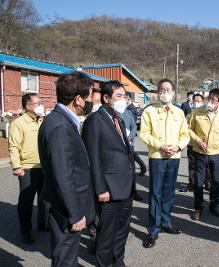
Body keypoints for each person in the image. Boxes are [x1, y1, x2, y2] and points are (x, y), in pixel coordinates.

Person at [38, 71, 95, 266]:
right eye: (90, 95)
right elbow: (63, 175)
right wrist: (76, 214)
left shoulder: (62, 120)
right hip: (67, 208)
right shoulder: (59, 127)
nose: (91, 100)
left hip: (67, 205)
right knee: (65, 259)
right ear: (78, 99)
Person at [81, 80, 134, 267]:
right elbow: (92, 159)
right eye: (119, 96)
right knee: (107, 232)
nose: (123, 100)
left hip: (125, 186)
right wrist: (100, 189)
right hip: (109, 189)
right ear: (106, 98)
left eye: (124, 96)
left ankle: (118, 261)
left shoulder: (118, 117)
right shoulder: (94, 121)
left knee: (122, 230)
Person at [140, 78, 190, 248]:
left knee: (169, 193)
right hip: (157, 157)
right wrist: (160, 145)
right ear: (157, 92)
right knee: (155, 193)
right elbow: (144, 134)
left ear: (174, 93)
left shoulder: (179, 112)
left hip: (174, 157)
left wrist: (178, 146)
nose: (165, 92)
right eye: (162, 89)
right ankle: (153, 230)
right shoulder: (149, 111)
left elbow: (186, 135)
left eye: (168, 89)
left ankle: (166, 222)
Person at [8, 93, 48, 244]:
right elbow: (13, 146)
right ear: (27, 106)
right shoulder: (18, 123)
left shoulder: (42, 120)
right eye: (37, 103)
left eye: (40, 102)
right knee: (26, 202)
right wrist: (16, 166)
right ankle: (25, 231)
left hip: (44, 166)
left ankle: (42, 223)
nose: (40, 105)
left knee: (45, 199)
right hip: (27, 168)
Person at [188, 88, 219, 221]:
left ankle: (214, 205)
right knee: (198, 181)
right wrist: (198, 140)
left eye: (213, 100)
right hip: (199, 152)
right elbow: (188, 128)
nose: (210, 102)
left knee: (216, 181)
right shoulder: (197, 112)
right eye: (209, 99)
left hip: (216, 153)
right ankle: (198, 208)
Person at [181, 93, 206, 192]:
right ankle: (192, 183)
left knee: (204, 165)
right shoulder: (189, 115)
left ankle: (206, 182)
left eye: (199, 101)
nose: (197, 103)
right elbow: (185, 128)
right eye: (195, 101)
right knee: (192, 164)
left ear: (203, 102)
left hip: (203, 144)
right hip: (191, 144)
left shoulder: (205, 113)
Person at [122, 92, 144, 201]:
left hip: (129, 145)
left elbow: (134, 126)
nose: (123, 100)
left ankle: (133, 192)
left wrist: (131, 136)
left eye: (125, 98)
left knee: (132, 170)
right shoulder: (113, 112)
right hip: (117, 146)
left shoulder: (128, 112)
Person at [125, 92, 147, 177]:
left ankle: (141, 167)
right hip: (130, 134)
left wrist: (130, 135)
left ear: (128, 98)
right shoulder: (131, 108)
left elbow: (132, 124)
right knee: (132, 153)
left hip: (130, 135)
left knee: (132, 153)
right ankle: (142, 167)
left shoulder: (131, 109)